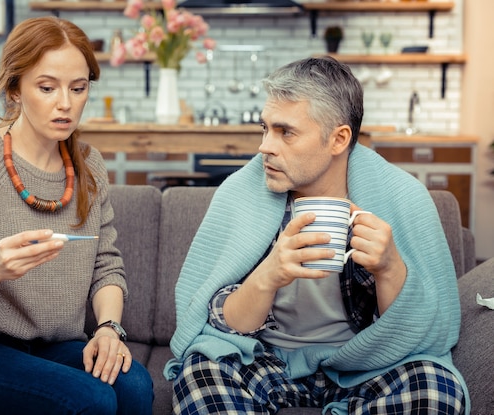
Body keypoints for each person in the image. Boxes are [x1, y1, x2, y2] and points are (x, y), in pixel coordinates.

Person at [166, 56, 469, 414]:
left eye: (285, 132)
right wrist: (268, 276)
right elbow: (220, 323)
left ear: (338, 139)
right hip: (266, 361)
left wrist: (389, 269)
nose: (265, 146)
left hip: (364, 365)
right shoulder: (241, 193)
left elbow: (419, 333)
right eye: (264, 129)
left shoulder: (402, 197)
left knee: (437, 389)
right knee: (200, 373)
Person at [0, 16, 153, 415]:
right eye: (47, 87)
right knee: (90, 399)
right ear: (15, 88)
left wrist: (109, 328)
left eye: (78, 88)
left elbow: (107, 267)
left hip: (50, 345)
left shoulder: (89, 166)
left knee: (136, 388)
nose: (66, 103)